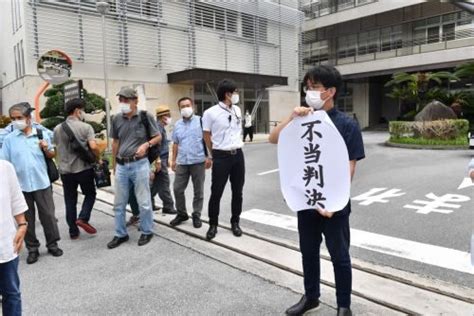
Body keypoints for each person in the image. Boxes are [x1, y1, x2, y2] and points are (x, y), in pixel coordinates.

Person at [269, 65, 365, 316]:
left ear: (330, 92)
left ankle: (344, 305)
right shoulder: (303, 119)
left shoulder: (347, 124)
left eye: (315, 87)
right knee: (308, 252)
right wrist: (292, 116)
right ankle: (311, 297)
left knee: (339, 256)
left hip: (334, 206)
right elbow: (273, 138)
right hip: (307, 200)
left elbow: (349, 167)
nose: (309, 92)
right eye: (307, 87)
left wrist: (334, 202)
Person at [2, 102, 62, 264]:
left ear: (28, 118)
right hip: (20, 187)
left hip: (42, 183)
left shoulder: (41, 134)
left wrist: (46, 149)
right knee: (27, 219)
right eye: (13, 119)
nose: (16, 121)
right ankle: (32, 248)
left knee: (48, 216)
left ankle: (52, 244)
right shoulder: (9, 140)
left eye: (19, 118)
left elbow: (52, 155)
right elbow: (5, 163)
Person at [108, 87, 161, 249]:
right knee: (119, 203)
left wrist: (147, 144)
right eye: (121, 100)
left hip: (140, 164)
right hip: (122, 165)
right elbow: (115, 142)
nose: (122, 103)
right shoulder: (116, 119)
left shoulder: (145, 117)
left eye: (126, 100)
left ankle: (147, 230)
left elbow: (158, 136)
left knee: (144, 201)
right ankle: (120, 234)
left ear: (135, 101)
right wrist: (114, 164)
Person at [202, 79, 245, 240]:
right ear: (227, 94)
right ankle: (213, 225)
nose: (237, 95)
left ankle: (235, 222)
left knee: (238, 192)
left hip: (238, 155)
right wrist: (213, 153)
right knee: (216, 192)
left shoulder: (238, 110)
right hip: (221, 156)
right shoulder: (210, 113)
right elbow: (206, 134)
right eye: (235, 92)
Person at [53, 98, 100, 239]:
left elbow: (56, 148)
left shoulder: (57, 129)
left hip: (65, 171)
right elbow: (93, 147)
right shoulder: (86, 127)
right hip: (83, 169)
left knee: (70, 199)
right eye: (83, 110)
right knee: (90, 194)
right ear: (77, 111)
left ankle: (73, 232)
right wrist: (97, 157)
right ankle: (83, 218)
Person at [169, 97, 212, 228]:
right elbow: (176, 143)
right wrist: (173, 160)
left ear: (192, 106)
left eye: (187, 105)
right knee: (177, 189)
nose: (185, 108)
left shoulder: (201, 121)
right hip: (182, 161)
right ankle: (182, 213)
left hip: (198, 161)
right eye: (182, 106)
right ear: (179, 109)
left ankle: (196, 214)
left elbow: (207, 139)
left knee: (198, 191)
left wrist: (209, 157)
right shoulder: (177, 125)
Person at [0, 160, 28, 316]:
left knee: (11, 294)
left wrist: (22, 225)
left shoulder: (5, 168)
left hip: (5, 244)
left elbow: (16, 200)